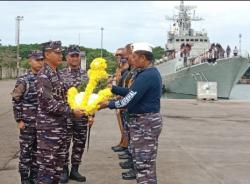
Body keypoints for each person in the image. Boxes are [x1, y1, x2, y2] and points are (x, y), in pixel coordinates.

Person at [99, 42, 163, 184]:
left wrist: (108, 104)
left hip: (145, 124)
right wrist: (113, 89)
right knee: (143, 162)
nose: (131, 59)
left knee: (144, 165)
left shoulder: (146, 75)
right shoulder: (148, 73)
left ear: (143, 58)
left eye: (134, 57)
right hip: (144, 123)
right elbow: (131, 92)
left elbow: (128, 100)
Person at [36, 41, 84, 184]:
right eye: (57, 53)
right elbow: (47, 103)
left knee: (56, 170)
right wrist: (71, 111)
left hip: (60, 128)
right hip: (49, 130)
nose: (60, 55)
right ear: (47, 54)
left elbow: (67, 95)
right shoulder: (44, 75)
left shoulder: (56, 73)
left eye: (60, 52)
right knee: (47, 170)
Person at [12, 50, 44, 184]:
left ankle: (34, 178)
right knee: (26, 153)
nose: (40, 62)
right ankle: (25, 179)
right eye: (37, 60)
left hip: (43, 123)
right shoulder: (24, 80)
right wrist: (19, 119)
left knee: (38, 153)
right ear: (30, 61)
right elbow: (16, 99)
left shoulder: (46, 79)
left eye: (42, 59)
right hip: (27, 123)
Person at [59, 45, 89, 183]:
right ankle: (64, 170)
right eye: (72, 56)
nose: (75, 58)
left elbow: (91, 96)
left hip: (82, 116)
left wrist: (92, 115)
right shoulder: (60, 74)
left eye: (77, 56)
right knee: (64, 143)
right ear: (67, 58)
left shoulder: (87, 75)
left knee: (79, 143)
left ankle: (75, 170)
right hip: (66, 115)